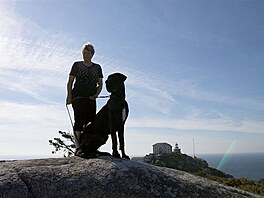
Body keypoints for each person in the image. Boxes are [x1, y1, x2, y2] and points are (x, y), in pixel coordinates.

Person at [66, 43, 103, 156]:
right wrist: (69, 96)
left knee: (91, 123)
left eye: (88, 53)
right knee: (78, 121)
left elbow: (100, 84)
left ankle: (89, 146)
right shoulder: (76, 65)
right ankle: (78, 148)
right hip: (78, 97)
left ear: (92, 54)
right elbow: (70, 81)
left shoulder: (97, 67)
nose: (86, 55)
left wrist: (96, 95)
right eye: (84, 53)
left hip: (91, 99)